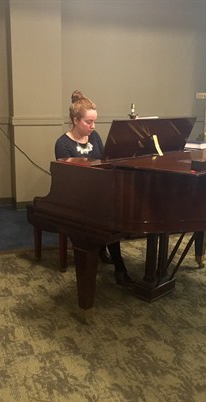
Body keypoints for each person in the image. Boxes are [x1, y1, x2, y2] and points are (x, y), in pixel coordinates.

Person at [55, 90, 132, 286]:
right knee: (107, 214)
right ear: (75, 120)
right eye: (88, 122)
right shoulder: (63, 144)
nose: (93, 126)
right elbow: (69, 179)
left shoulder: (95, 136)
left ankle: (108, 253)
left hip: (98, 191)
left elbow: (105, 161)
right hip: (76, 197)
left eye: (94, 122)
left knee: (114, 210)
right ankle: (119, 265)